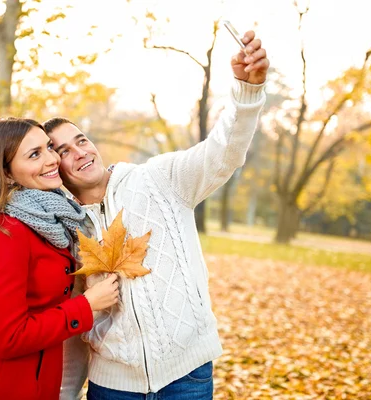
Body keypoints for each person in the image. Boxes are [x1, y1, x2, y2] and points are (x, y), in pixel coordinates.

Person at [44, 30, 268, 399]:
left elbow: (223, 151)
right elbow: (72, 326)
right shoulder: (62, 228)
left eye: (81, 139)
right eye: (64, 150)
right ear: (55, 165)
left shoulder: (159, 178)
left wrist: (247, 92)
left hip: (187, 377)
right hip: (112, 385)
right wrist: (66, 393)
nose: (80, 152)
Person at [0, 118, 119, 400]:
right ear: (8, 174)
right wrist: (87, 306)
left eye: (48, 147)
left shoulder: (50, 218)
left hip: (38, 379)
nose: (52, 159)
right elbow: (8, 338)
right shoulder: (3, 230)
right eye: (35, 155)